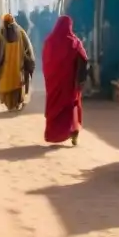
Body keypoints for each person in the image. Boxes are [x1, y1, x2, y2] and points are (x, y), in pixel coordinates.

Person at [42, 15, 88, 146]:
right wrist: (80, 79)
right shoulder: (75, 42)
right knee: (71, 106)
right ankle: (74, 133)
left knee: (55, 106)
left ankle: (53, 134)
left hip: (53, 83)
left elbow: (46, 61)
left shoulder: (49, 41)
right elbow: (84, 58)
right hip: (70, 84)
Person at [0, 13, 36, 111]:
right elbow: (28, 49)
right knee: (17, 88)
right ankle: (16, 104)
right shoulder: (21, 32)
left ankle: (10, 106)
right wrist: (29, 63)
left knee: (7, 89)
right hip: (18, 70)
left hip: (5, 72)